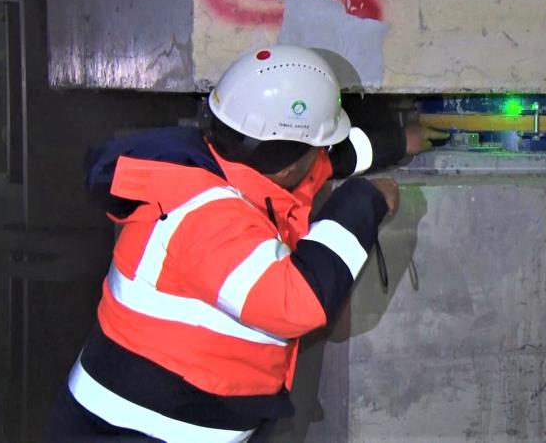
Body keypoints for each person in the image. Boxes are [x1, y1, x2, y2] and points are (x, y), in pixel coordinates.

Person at [47, 45, 446, 441]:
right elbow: (297, 301)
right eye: (318, 146)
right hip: (128, 431)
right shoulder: (206, 214)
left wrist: (398, 142)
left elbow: (320, 165)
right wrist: (363, 201)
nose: (321, 157)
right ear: (289, 162)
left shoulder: (225, 164)